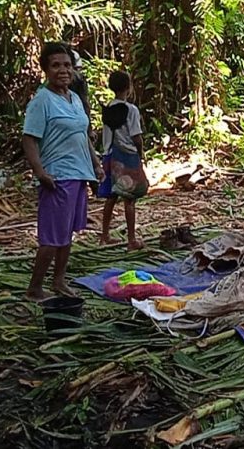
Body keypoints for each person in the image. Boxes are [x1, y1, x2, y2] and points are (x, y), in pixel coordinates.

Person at [22, 42, 103, 301]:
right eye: (56, 65)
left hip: (78, 175)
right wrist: (40, 172)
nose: (63, 70)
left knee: (66, 234)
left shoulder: (75, 99)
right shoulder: (42, 101)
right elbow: (30, 139)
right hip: (57, 177)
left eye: (67, 65)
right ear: (45, 69)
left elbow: (83, 135)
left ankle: (58, 281)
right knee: (51, 238)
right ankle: (35, 288)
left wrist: (96, 164)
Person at [98, 71, 148, 250]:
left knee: (111, 197)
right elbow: (136, 136)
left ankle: (104, 236)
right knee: (130, 198)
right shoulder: (131, 110)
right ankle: (132, 240)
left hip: (110, 156)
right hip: (127, 157)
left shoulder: (108, 108)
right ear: (128, 87)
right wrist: (141, 153)